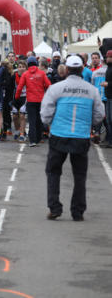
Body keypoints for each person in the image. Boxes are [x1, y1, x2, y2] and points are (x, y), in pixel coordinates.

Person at [41, 55, 105, 221]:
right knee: (79, 175)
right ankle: (78, 211)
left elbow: (46, 112)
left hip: (59, 134)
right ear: (83, 68)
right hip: (81, 136)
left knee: (53, 171)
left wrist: (49, 123)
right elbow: (99, 114)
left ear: (67, 70)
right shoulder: (92, 90)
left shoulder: (56, 88)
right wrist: (88, 124)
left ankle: (54, 207)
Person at [15, 56, 51, 147]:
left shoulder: (25, 74)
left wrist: (16, 97)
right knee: (39, 120)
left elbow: (19, 87)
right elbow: (49, 85)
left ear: (28, 64)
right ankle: (38, 138)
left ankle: (32, 141)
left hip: (30, 101)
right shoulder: (42, 73)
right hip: (41, 100)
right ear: (36, 63)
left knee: (32, 120)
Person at [11, 61, 28, 142]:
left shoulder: (28, 76)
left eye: (23, 67)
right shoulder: (14, 76)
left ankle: (22, 134)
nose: (21, 68)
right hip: (16, 98)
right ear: (17, 68)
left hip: (24, 98)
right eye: (20, 66)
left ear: (26, 68)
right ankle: (18, 130)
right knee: (14, 116)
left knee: (22, 116)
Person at [100, 50, 112, 148]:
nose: (107, 58)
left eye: (109, 57)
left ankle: (110, 141)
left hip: (111, 97)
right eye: (107, 57)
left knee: (111, 120)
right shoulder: (109, 67)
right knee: (108, 120)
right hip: (108, 96)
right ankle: (109, 139)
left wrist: (108, 84)